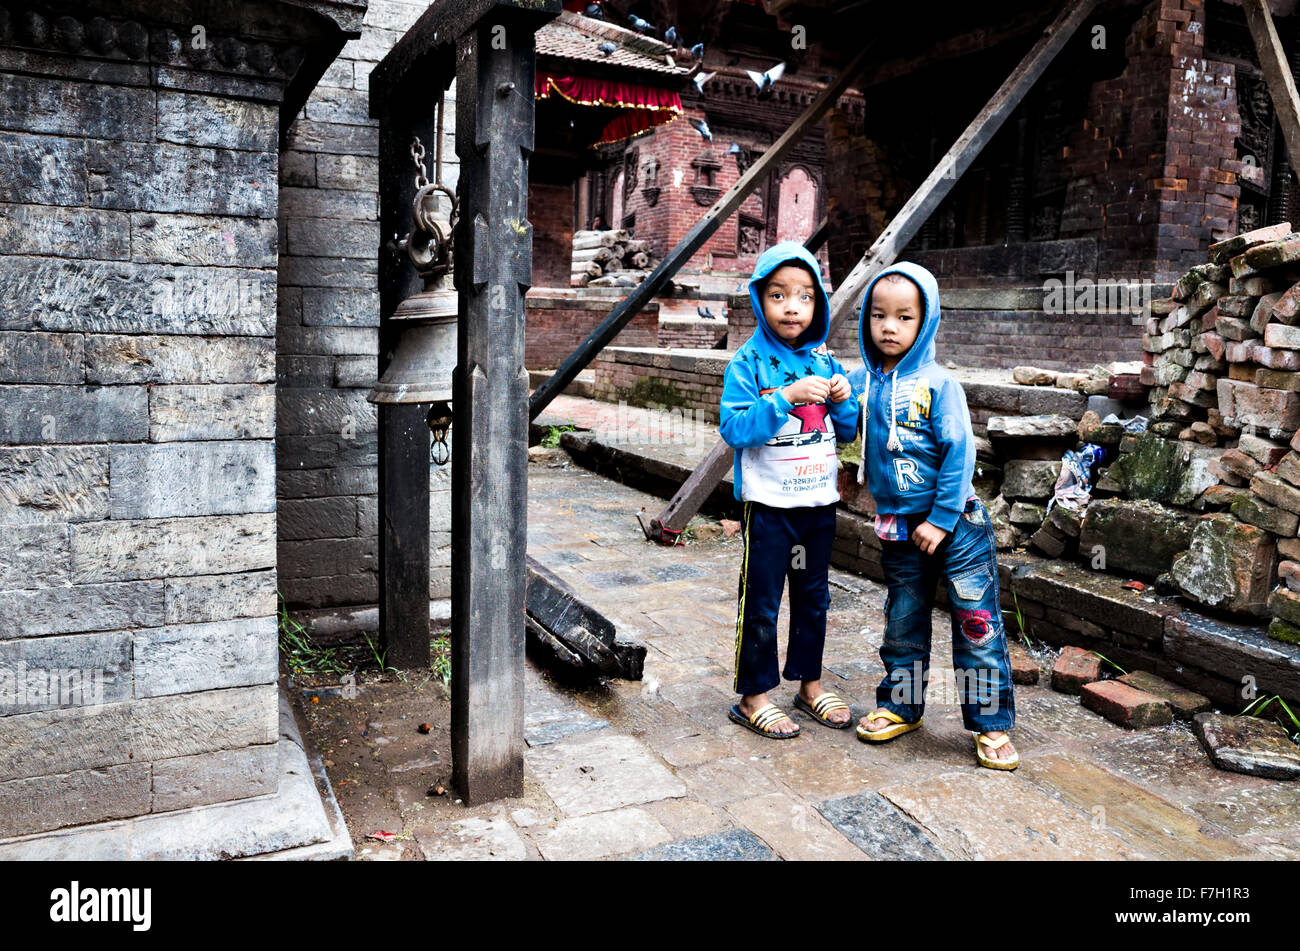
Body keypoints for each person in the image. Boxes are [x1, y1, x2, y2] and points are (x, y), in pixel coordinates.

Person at [847, 262, 1018, 769]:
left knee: (975, 624)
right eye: (878, 316)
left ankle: (990, 723)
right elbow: (840, 419)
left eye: (904, 317)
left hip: (955, 526)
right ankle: (901, 705)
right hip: (899, 529)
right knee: (902, 622)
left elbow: (960, 452)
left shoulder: (939, 385)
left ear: (926, 322)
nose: (889, 327)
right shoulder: (863, 380)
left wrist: (941, 519)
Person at [719, 242, 860, 738]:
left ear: (818, 303)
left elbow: (845, 431)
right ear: (761, 301)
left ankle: (809, 685)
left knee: (813, 596)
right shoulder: (748, 363)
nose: (792, 307)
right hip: (770, 507)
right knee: (761, 600)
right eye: (778, 295)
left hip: (817, 504)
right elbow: (734, 430)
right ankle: (753, 697)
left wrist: (844, 398)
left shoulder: (825, 361)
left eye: (804, 296)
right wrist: (783, 398)